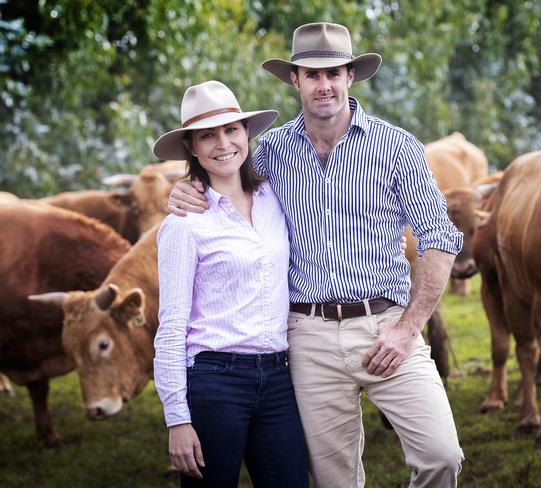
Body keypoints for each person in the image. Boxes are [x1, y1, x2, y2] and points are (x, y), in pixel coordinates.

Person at [168, 22, 465, 487]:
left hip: (385, 325)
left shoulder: (396, 146)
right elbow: (224, 176)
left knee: (441, 455)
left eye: (334, 74)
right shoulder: (270, 151)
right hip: (306, 336)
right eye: (311, 74)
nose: (323, 85)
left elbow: (440, 237)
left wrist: (409, 329)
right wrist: (185, 189)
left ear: (351, 76)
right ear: (295, 80)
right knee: (333, 480)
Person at [152, 80, 309, 487]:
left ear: (246, 134)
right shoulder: (184, 224)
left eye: (231, 130)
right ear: (191, 147)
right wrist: (177, 418)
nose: (223, 144)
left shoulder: (276, 197)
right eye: (207, 135)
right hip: (214, 381)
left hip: (277, 377)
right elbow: (170, 325)